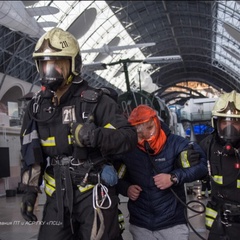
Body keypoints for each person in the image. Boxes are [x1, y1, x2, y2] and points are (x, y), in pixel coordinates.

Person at [19, 27, 137, 240]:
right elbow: (31, 155)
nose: (50, 71)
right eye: (45, 64)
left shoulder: (97, 101)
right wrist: (30, 192)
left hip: (92, 194)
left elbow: (128, 137)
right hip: (56, 197)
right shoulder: (36, 108)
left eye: (58, 64)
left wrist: (96, 136)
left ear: (74, 64)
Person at [115, 105, 208, 240]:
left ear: (156, 122)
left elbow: (201, 166)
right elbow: (113, 177)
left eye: (149, 128)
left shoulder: (177, 143)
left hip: (173, 225)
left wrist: (174, 177)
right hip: (141, 225)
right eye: (139, 133)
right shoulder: (128, 149)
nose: (146, 136)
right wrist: (126, 188)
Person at [199, 90, 240, 240]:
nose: (230, 128)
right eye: (225, 122)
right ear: (216, 123)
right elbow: (189, 169)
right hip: (218, 227)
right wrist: (184, 159)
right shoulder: (207, 145)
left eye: (235, 122)